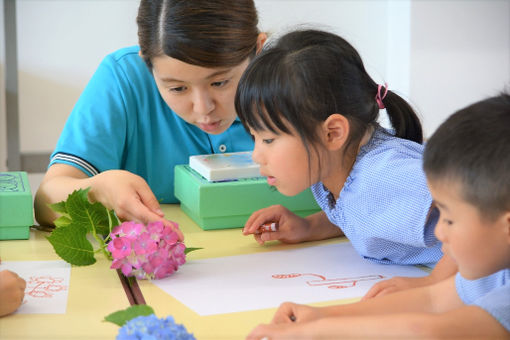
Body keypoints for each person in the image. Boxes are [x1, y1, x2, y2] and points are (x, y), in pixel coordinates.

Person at [246, 92, 510, 339]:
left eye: (450, 219)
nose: (440, 232)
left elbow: (431, 331)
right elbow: (433, 300)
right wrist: (317, 316)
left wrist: (319, 331)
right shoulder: (494, 273)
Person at [236, 29, 456, 298]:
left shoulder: (383, 175)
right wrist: (310, 227)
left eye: (268, 139)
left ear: (333, 133)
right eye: (254, 136)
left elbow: (482, 212)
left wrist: (435, 284)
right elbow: (371, 214)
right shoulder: (333, 173)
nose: (256, 155)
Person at [34, 0, 266, 234]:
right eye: (177, 88)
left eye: (220, 82)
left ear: (258, 49)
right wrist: (98, 190)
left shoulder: (289, 82)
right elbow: (46, 203)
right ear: (147, 63)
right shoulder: (123, 78)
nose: (203, 108)